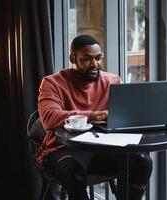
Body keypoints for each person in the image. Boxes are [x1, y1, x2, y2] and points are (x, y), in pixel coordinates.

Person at [37, 35, 152, 200]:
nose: (94, 64)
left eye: (98, 58)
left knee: (143, 162)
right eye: (86, 59)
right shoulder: (52, 83)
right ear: (73, 58)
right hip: (63, 149)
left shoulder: (112, 81)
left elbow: (124, 115)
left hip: (102, 149)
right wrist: (94, 115)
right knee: (72, 171)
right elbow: (49, 118)